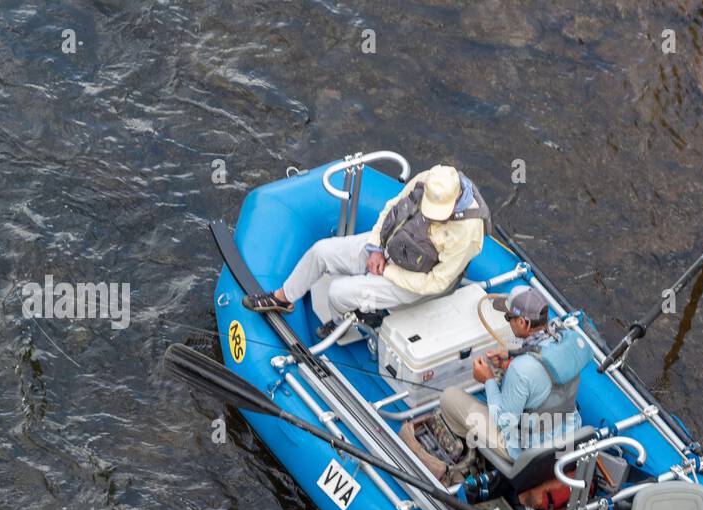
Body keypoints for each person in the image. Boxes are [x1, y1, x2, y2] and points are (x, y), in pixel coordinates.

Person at [241, 164, 489, 323]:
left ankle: (344, 324)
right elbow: (393, 207)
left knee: (338, 293)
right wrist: (375, 248)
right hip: (389, 246)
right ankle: (284, 297)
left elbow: (436, 282)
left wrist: (388, 271)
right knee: (321, 251)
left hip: (415, 279)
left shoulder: (467, 232)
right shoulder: (430, 180)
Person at [439, 286, 588, 462]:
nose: (508, 321)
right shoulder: (566, 340)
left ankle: (471, 450)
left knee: (449, 397)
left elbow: (504, 422)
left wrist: (488, 380)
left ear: (524, 323)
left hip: (532, 453)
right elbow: (540, 356)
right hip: (569, 438)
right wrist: (511, 356)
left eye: (509, 317)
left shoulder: (521, 369)